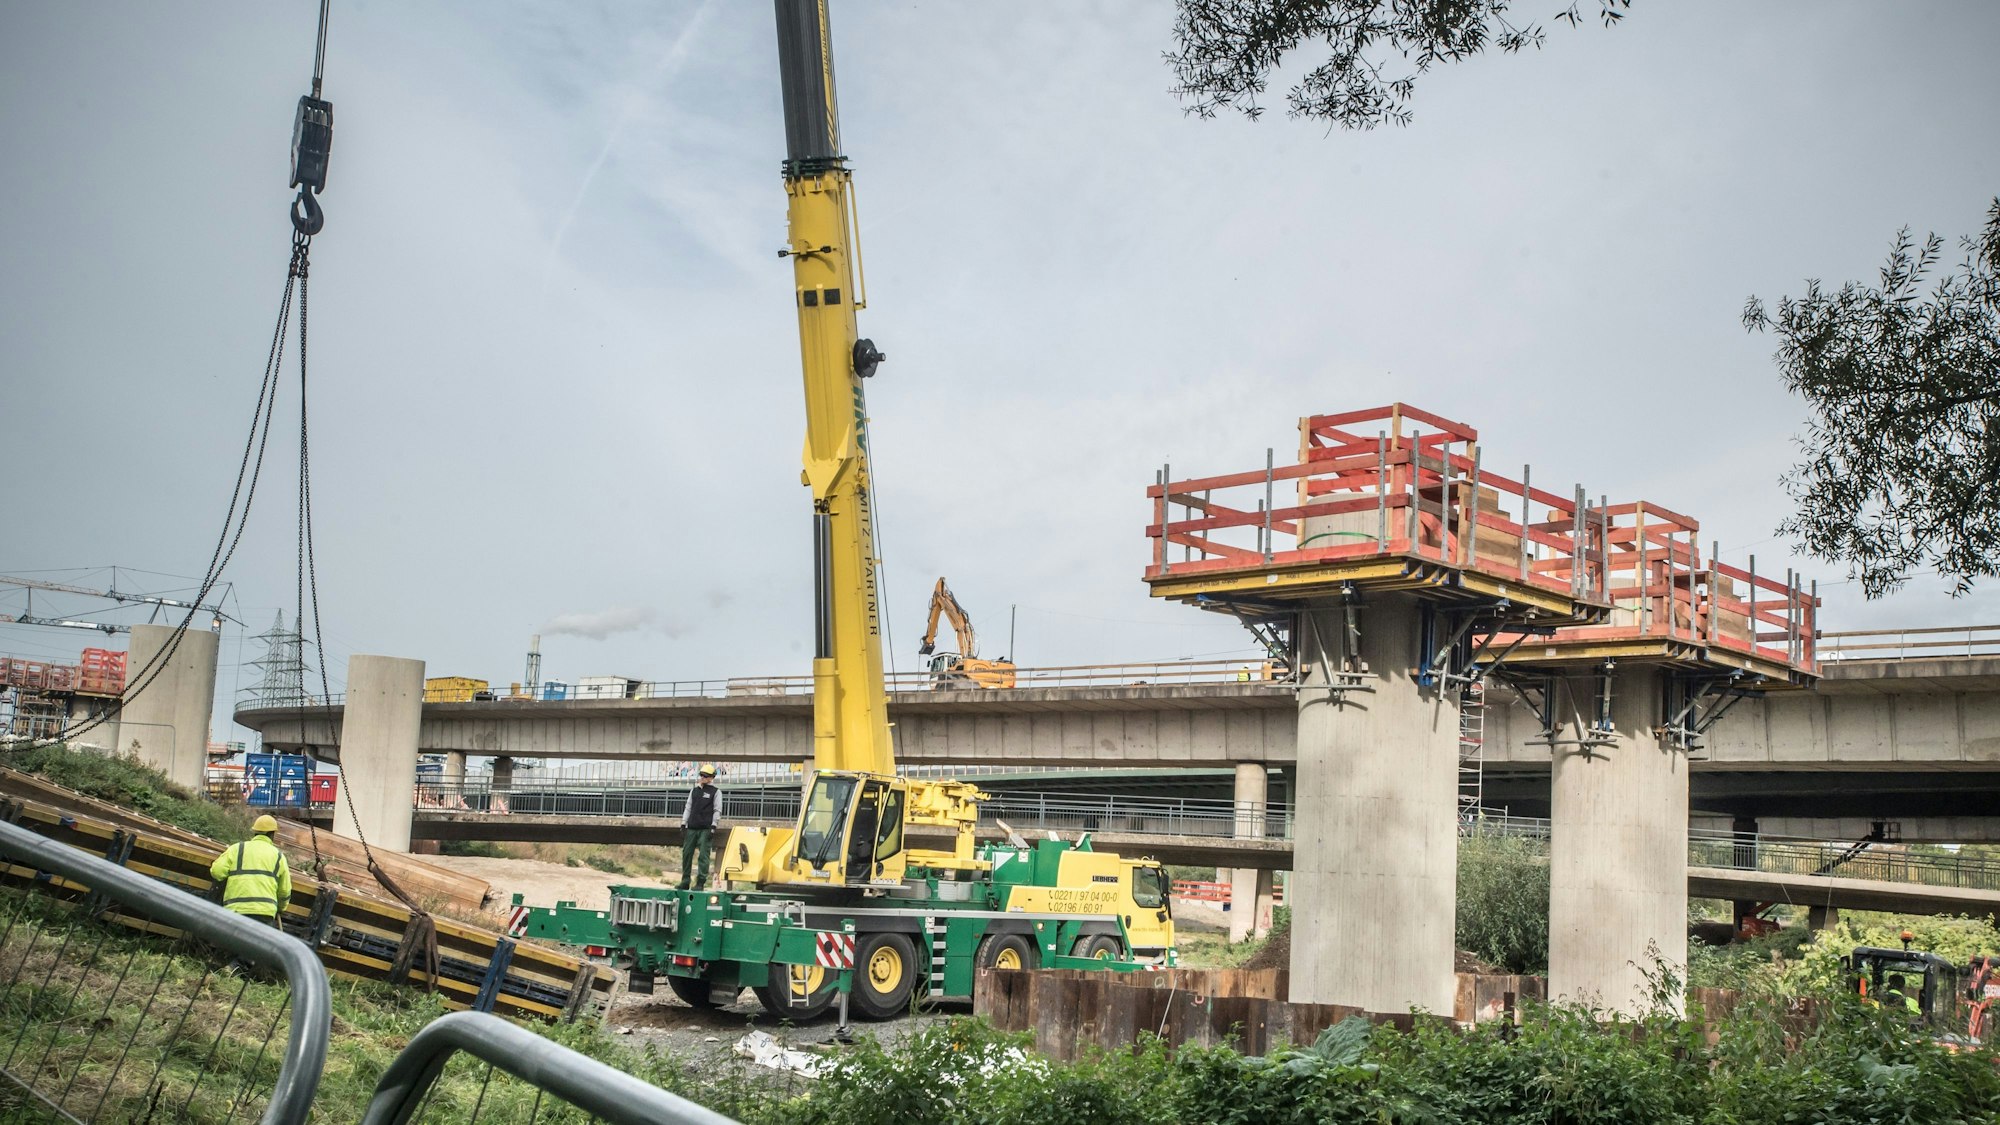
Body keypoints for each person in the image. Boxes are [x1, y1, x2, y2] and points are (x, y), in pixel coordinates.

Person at [209, 814, 292, 929]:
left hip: (235, 911)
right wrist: (281, 907)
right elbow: (284, 891)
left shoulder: (237, 849)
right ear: (272, 834)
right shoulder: (278, 856)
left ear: (255, 832)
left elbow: (217, 872)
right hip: (264, 913)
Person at [679, 765, 720, 889]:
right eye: (701, 775)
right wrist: (683, 823)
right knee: (687, 854)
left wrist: (714, 826)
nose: (702, 777)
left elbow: (717, 810)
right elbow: (688, 807)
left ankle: (700, 882)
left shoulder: (716, 792)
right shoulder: (694, 791)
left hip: (705, 828)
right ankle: (685, 881)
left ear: (711, 777)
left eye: (705, 776)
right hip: (692, 827)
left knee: (703, 855)